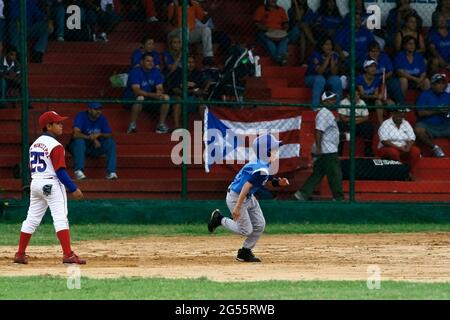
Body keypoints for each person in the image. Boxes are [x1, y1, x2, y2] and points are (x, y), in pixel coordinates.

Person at [13, 111, 86, 265]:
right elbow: (60, 171)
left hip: (36, 183)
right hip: (51, 184)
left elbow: (30, 167)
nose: (61, 125)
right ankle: (68, 254)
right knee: (60, 218)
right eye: (57, 123)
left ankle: (20, 254)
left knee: (31, 219)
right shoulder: (56, 145)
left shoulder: (34, 144)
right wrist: (73, 188)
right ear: (48, 126)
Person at [207, 133, 290, 262]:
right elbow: (246, 186)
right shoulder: (261, 169)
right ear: (266, 151)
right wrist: (238, 207)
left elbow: (265, 180)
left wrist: (278, 183)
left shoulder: (261, 165)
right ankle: (219, 219)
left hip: (248, 196)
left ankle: (245, 252)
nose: (277, 152)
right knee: (245, 230)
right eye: (274, 150)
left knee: (260, 224)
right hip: (237, 197)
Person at [294, 90, 344, 201]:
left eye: (334, 99)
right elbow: (318, 131)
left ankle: (302, 194)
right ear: (324, 101)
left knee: (318, 173)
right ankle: (338, 197)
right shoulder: (323, 113)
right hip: (327, 149)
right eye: (330, 99)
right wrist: (319, 148)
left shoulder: (327, 113)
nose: (333, 102)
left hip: (328, 148)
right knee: (335, 173)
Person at [69, 102, 118, 180]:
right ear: (89, 109)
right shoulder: (81, 116)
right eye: (96, 109)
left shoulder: (102, 118)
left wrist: (99, 134)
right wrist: (91, 138)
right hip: (79, 147)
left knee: (110, 142)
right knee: (79, 141)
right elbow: (76, 134)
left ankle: (111, 172)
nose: (98, 111)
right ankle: (78, 171)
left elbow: (109, 134)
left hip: (94, 147)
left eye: (100, 109)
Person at [124, 53, 170, 134]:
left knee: (166, 97)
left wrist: (159, 92)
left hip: (149, 97)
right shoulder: (135, 71)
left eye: (152, 61)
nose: (151, 63)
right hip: (132, 98)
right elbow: (136, 90)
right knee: (140, 97)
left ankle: (161, 125)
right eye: (148, 61)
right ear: (142, 62)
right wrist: (152, 95)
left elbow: (160, 86)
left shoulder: (156, 71)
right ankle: (132, 125)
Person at [167, 0, 214, 66]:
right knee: (185, 29)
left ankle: (208, 56)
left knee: (206, 29)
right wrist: (176, 7)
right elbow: (173, 22)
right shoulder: (173, 4)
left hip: (189, 33)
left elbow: (203, 20)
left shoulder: (193, 3)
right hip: (175, 33)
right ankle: (185, 55)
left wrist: (211, 10)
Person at [414, 73, 450, 158]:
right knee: (418, 129)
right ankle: (435, 148)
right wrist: (437, 111)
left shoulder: (448, 96)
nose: (441, 85)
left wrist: (447, 111)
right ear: (432, 85)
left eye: (443, 83)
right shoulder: (424, 95)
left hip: (445, 125)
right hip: (428, 126)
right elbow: (420, 112)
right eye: (438, 83)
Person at [378, 109, 420, 179]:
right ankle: (401, 173)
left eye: (402, 115)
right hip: (388, 147)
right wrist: (399, 148)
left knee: (416, 151)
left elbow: (412, 138)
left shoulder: (405, 123)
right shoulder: (386, 124)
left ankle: (410, 173)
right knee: (393, 152)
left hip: (403, 147)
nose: (401, 116)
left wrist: (408, 147)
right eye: (399, 114)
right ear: (393, 114)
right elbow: (384, 141)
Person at [305, 36, 342, 107]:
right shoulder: (315, 55)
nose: (329, 47)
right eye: (326, 44)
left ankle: (338, 107)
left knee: (336, 79)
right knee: (320, 79)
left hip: (327, 78)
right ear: (321, 46)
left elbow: (334, 73)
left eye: (330, 44)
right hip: (311, 78)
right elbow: (320, 72)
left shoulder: (334, 55)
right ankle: (315, 106)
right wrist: (328, 58)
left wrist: (332, 60)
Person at [357, 59, 395, 125]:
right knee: (378, 100)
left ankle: (385, 124)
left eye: (374, 67)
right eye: (371, 66)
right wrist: (377, 96)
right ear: (365, 69)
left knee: (390, 103)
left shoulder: (377, 79)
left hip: (372, 100)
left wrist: (381, 98)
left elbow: (376, 94)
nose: (373, 68)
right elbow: (362, 95)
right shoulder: (360, 78)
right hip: (361, 101)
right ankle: (382, 123)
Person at [337, 91, 374, 157]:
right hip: (347, 125)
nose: (357, 97)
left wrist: (353, 120)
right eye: (355, 95)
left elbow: (366, 117)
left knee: (369, 126)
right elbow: (343, 118)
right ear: (348, 96)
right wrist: (358, 117)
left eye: (358, 95)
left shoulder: (362, 102)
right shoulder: (343, 102)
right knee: (340, 125)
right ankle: (340, 150)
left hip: (358, 124)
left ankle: (368, 150)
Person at [253, 0, 289, 66]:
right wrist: (266, 29)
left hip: (278, 33)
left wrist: (284, 31)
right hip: (265, 32)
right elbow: (256, 23)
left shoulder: (281, 10)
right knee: (269, 42)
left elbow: (285, 23)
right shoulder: (261, 9)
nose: (273, 1)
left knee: (285, 39)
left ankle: (278, 58)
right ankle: (280, 59)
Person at [394, 35, 430, 101]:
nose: (412, 46)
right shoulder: (399, 56)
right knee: (403, 80)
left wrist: (420, 80)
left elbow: (423, 71)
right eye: (410, 44)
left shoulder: (418, 56)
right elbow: (400, 72)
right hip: (406, 79)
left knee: (426, 81)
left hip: (417, 80)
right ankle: (402, 103)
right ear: (404, 46)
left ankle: (427, 103)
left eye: (414, 44)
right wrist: (415, 79)